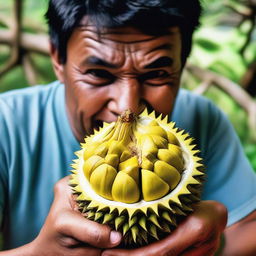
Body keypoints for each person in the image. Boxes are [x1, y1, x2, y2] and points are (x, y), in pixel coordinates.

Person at [0, 0, 255, 255]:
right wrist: (40, 252)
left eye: (156, 74)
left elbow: (249, 230)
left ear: (182, 62)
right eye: (99, 74)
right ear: (58, 58)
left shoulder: (203, 117)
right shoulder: (6, 123)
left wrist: (215, 243)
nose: (127, 108)